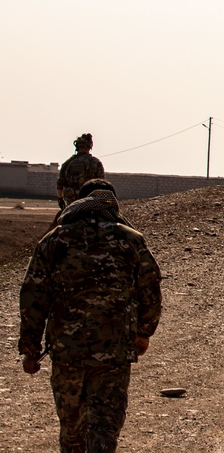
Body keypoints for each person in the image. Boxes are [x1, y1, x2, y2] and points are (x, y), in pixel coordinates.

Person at [19, 178, 162, 453]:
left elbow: (33, 297)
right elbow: (151, 289)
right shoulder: (131, 239)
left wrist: (30, 349)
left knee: (72, 430)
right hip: (114, 353)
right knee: (104, 430)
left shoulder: (55, 240)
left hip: (67, 352)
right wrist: (144, 332)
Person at [57, 133, 105, 209]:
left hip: (72, 203)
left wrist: (60, 199)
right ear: (90, 147)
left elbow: (60, 184)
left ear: (77, 147)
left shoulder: (68, 163)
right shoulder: (96, 163)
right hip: (91, 201)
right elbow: (102, 184)